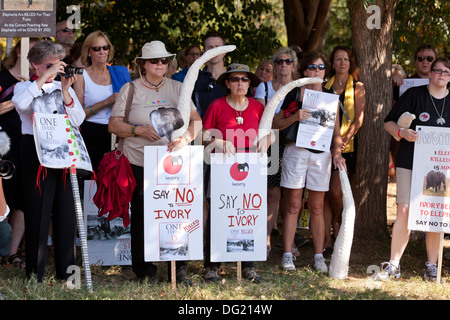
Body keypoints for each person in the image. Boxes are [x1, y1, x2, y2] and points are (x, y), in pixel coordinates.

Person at [108, 41, 201, 284]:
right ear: (142, 64)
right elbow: (114, 124)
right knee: (141, 216)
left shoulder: (179, 88)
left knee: (177, 214)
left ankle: (179, 268)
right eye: (154, 61)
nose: (160, 64)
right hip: (138, 162)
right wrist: (138, 130)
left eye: (164, 60)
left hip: (174, 163)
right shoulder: (130, 89)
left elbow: (196, 121)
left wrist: (186, 139)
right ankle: (144, 269)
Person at [12, 40, 85, 282]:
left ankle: (69, 276)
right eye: (49, 65)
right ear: (34, 65)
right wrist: (43, 79)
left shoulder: (65, 87)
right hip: (35, 151)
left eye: (59, 64)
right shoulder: (24, 87)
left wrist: (64, 90)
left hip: (63, 151)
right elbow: (21, 105)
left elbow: (78, 119)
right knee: (38, 214)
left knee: (66, 215)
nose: (56, 69)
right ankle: (35, 274)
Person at [272, 51, 346, 273]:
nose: (317, 71)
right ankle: (287, 254)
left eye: (321, 68)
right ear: (303, 71)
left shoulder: (330, 95)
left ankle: (318, 256)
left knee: (316, 206)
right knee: (294, 204)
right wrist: (295, 116)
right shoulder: (293, 93)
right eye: (312, 68)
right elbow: (276, 123)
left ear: (326, 72)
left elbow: (337, 132)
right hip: (296, 152)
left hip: (320, 155)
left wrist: (337, 151)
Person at [202, 63, 273, 283]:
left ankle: (247, 266)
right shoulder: (217, 105)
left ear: (250, 83)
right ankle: (212, 265)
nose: (240, 83)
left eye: (244, 79)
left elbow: (269, 132)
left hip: (251, 167)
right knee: (218, 212)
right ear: (227, 83)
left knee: (247, 213)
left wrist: (267, 140)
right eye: (235, 79)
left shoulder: (257, 107)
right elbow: (203, 134)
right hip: (222, 165)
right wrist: (220, 141)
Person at [382, 57, 450, 281]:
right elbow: (388, 123)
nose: (442, 74)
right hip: (408, 162)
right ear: (430, 73)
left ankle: (432, 266)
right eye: (437, 70)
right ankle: (393, 265)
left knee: (434, 214)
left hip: (439, 168)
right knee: (404, 211)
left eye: (446, 72)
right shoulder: (413, 96)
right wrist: (403, 134)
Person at [254, 47, 301, 256]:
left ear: (294, 64)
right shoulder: (263, 88)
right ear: (274, 65)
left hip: (294, 143)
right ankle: (265, 240)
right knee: (271, 191)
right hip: (270, 143)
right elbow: (261, 117)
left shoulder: (300, 87)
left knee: (293, 193)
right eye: (280, 62)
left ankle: (289, 239)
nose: (284, 65)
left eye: (288, 61)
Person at [322, 46, 365, 258]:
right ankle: (328, 239)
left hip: (347, 147)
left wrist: (344, 139)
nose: (342, 63)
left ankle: (336, 221)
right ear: (332, 63)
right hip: (322, 146)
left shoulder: (357, 86)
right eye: (337, 59)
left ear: (351, 63)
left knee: (336, 191)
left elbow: (359, 119)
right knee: (323, 192)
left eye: (345, 59)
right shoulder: (324, 86)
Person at [0, 38, 39, 269]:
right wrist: (21, 95)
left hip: (30, 145)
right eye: (30, 50)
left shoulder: (40, 81)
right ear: (18, 51)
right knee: (5, 197)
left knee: (24, 199)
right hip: (5, 146)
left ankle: (12, 252)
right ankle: (2, 247)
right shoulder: (3, 78)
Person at [73, 31, 131, 173]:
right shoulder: (81, 75)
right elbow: (78, 115)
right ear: (88, 51)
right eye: (96, 48)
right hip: (90, 133)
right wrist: (107, 101)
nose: (102, 52)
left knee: (116, 180)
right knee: (92, 181)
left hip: (117, 133)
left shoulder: (120, 72)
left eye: (105, 48)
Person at [192, 31, 228, 118]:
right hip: (202, 130)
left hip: (230, 130)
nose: (214, 50)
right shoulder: (194, 79)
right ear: (204, 51)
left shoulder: (235, 79)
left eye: (217, 47)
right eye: (210, 47)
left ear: (225, 51)